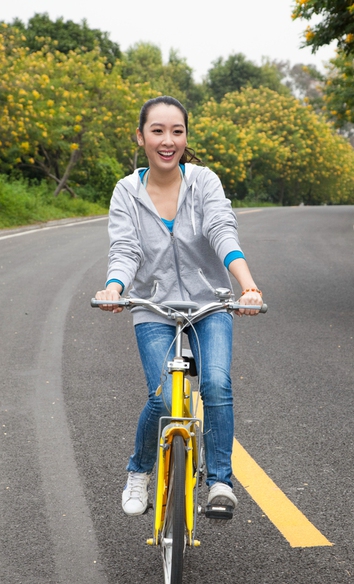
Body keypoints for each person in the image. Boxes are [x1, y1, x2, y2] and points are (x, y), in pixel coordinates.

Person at [95, 96, 263, 517]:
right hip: (154, 307)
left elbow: (222, 231)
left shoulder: (204, 182)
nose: (168, 141)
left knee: (217, 385)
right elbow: (126, 249)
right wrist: (114, 287)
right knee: (164, 396)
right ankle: (139, 471)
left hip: (210, 304)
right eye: (157, 131)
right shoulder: (126, 192)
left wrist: (247, 286)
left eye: (177, 131)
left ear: (186, 137)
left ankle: (220, 482)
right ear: (141, 137)